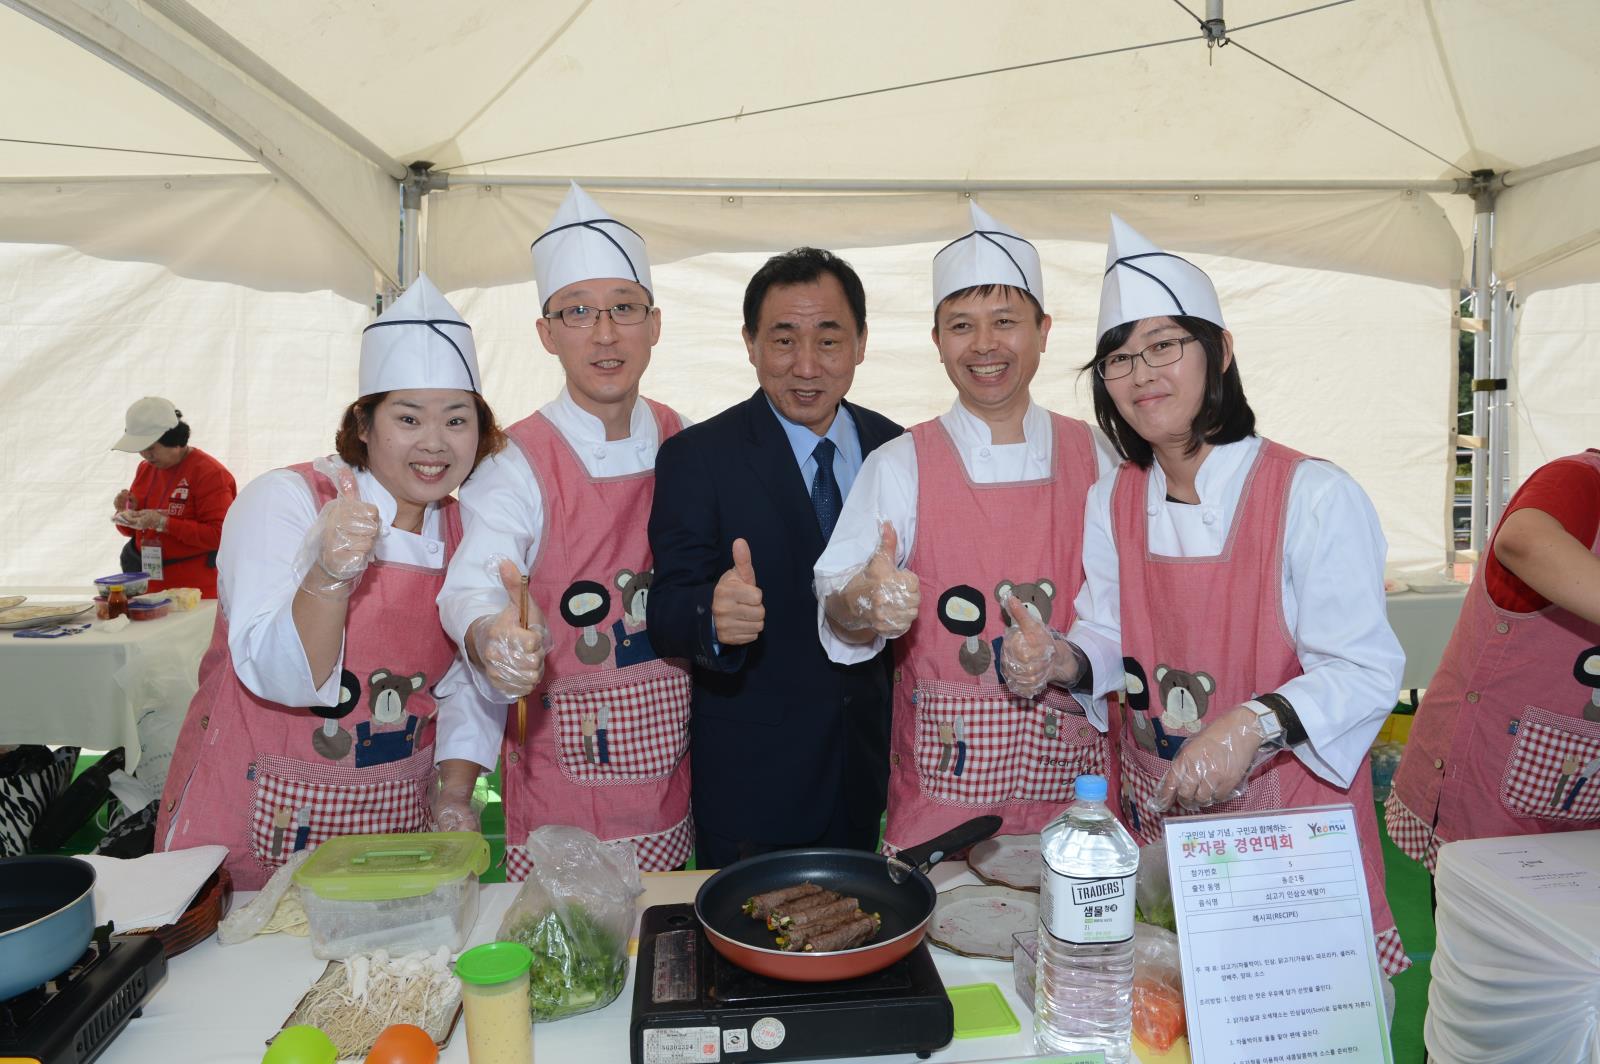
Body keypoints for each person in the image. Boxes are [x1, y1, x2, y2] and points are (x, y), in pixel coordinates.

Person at [1008, 215, 1410, 977]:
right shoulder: (1115, 499)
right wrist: (1060, 656)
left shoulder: (1311, 495)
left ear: (1219, 350)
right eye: (1119, 359)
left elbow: (1362, 671)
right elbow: (1109, 634)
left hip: (1290, 838)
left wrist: (1250, 727)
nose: (1141, 374)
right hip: (1165, 837)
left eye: (1164, 346)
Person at [155, 275, 504, 890]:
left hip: (393, 830)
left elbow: (463, 688)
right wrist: (328, 573)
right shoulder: (286, 500)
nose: (434, 443)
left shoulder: (464, 531)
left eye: (457, 420)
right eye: (407, 417)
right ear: (363, 425)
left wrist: (453, 789)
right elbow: (273, 673)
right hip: (256, 823)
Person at [813, 203, 1116, 852]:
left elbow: (1129, 620)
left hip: (1079, 804)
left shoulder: (1099, 458)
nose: (984, 346)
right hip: (940, 810)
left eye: (1005, 322)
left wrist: (1066, 658)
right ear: (937, 341)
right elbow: (838, 614)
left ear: (1043, 330)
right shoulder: (900, 462)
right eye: (961, 326)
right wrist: (866, 599)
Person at [433, 183, 695, 876]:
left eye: (623, 309)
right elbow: (474, 583)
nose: (604, 334)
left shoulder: (688, 441)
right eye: (577, 312)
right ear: (547, 334)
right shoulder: (513, 461)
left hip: (670, 771)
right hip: (561, 776)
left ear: (655, 324)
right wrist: (493, 634)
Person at [647, 247, 902, 868]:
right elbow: (668, 607)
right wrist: (713, 616)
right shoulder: (698, 456)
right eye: (783, 340)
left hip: (863, 771)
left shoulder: (895, 450)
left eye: (829, 340)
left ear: (862, 343)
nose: (806, 366)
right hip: (750, 787)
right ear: (750, 343)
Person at [1387, 449, 1600, 871]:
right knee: (1494, 915)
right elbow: (1524, 541)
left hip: (1577, 780)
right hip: (1500, 783)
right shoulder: (1579, 481)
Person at [111, 397, 237, 598]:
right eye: (141, 449)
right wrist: (125, 512)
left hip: (195, 592)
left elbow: (219, 535)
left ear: (174, 440)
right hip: (150, 585)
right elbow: (129, 532)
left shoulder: (210, 474)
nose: (146, 455)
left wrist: (164, 523)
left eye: (151, 448)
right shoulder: (146, 469)